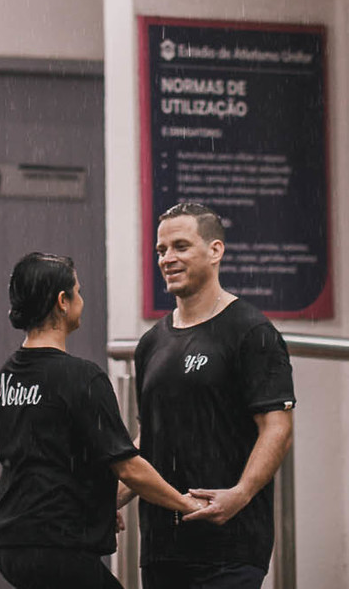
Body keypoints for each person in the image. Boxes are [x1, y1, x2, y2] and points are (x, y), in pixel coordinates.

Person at [0, 251, 212, 589]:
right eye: (77, 292)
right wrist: (185, 504)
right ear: (62, 301)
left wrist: (94, 508)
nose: (82, 299)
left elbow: (43, 458)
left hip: (10, 541)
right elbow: (128, 467)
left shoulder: (8, 376)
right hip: (56, 545)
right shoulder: (82, 378)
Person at [133, 201, 295, 589]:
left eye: (181, 247)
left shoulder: (252, 332)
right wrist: (113, 496)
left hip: (230, 546)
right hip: (161, 547)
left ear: (215, 251)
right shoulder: (150, 344)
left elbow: (278, 429)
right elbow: (148, 441)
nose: (167, 258)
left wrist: (239, 494)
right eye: (161, 250)